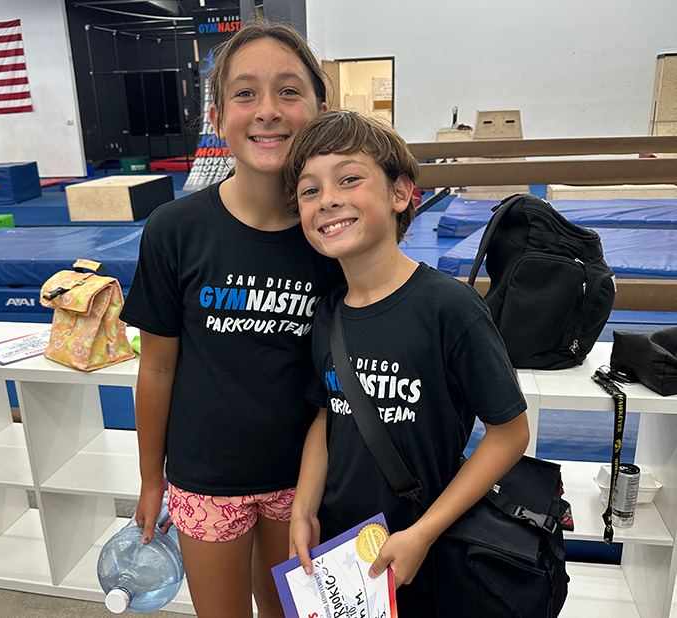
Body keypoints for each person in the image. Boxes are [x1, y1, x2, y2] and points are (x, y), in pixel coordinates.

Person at [118, 20, 341, 618]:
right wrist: (149, 479)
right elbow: (158, 368)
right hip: (205, 475)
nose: (267, 110)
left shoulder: (335, 236)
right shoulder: (176, 231)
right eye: (245, 93)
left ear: (320, 109)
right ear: (216, 119)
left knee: (286, 612)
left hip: (302, 479)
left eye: (289, 91)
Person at [285, 110, 530, 616]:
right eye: (309, 190)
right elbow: (327, 415)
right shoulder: (329, 311)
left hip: (426, 545)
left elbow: (509, 433)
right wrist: (303, 509)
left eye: (349, 179)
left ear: (401, 193)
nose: (327, 198)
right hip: (344, 552)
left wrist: (423, 532)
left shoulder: (449, 307)